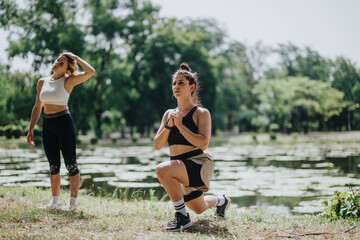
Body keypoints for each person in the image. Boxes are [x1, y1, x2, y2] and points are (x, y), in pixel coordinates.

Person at [154, 62, 230, 231]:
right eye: (174, 83)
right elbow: (158, 145)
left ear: (192, 86)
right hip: (178, 166)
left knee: (161, 170)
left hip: (196, 164)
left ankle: (182, 218)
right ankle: (222, 200)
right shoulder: (168, 114)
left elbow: (204, 143)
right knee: (199, 207)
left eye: (181, 83)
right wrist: (169, 125)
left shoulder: (201, 113)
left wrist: (180, 125)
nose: (176, 86)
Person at [27, 52, 95, 210]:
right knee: (53, 165)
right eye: (58, 60)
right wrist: (31, 129)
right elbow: (37, 107)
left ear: (66, 70)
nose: (57, 63)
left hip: (64, 123)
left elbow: (91, 72)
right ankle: (54, 203)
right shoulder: (42, 82)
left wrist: (76, 58)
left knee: (71, 165)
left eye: (62, 63)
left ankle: (72, 204)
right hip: (48, 124)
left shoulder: (69, 80)